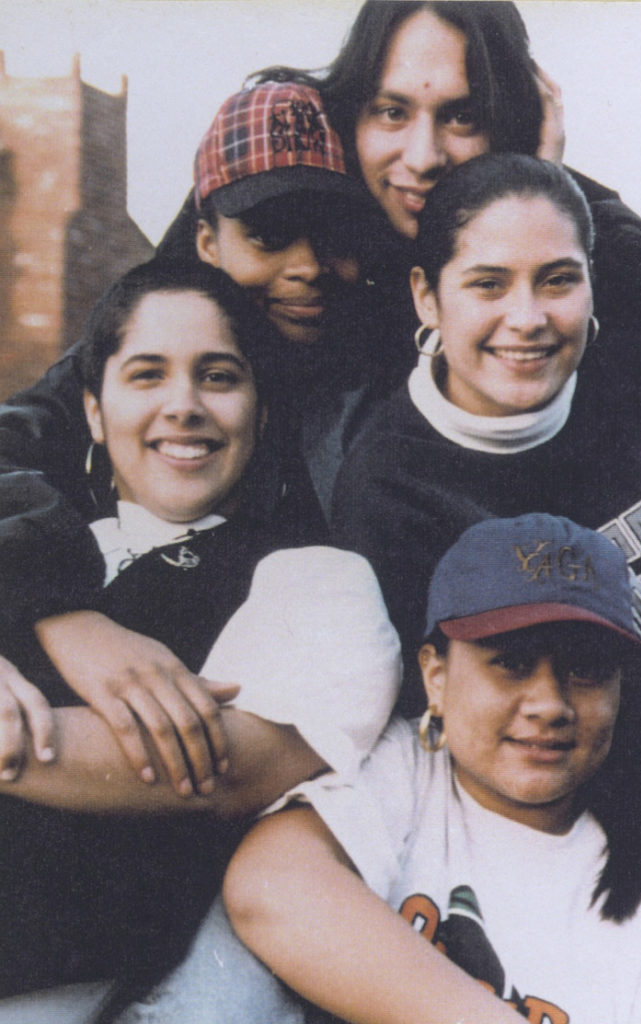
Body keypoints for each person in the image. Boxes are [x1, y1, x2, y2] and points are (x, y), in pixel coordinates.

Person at [0, 258, 401, 1008]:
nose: (183, 405)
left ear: (261, 408)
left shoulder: (315, 579)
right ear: (94, 411)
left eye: (218, 377)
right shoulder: (34, 540)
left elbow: (226, 770)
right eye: (146, 375)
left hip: (78, 983)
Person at [0, 79, 395, 789]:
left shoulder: (390, 375)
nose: (307, 267)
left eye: (333, 237)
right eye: (269, 236)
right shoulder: (143, 337)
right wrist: (62, 616)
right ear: (208, 242)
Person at [225, 514, 641, 1024]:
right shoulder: (407, 769)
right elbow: (270, 886)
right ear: (436, 676)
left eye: (586, 670)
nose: (549, 704)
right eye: (511, 663)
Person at [331, 154, 641, 761]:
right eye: (488, 284)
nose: (527, 319)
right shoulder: (389, 490)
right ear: (427, 296)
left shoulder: (640, 371)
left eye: (558, 280)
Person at [253, 0, 641, 386]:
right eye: (392, 112)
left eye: (461, 117)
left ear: (513, 121)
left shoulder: (605, 238)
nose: (422, 158)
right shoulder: (311, 208)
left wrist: (537, 207)